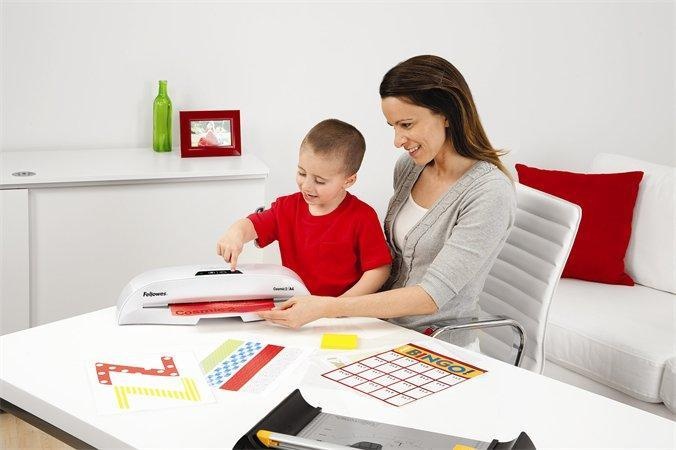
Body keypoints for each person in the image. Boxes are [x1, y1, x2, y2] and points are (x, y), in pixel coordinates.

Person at [258, 55, 516, 347]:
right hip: (381, 328)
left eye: (406, 124)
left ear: (447, 113)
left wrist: (328, 307)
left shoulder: (489, 193)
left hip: (435, 344)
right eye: (393, 126)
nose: (397, 140)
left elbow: (430, 297)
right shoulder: (410, 168)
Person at [216, 119, 392, 297]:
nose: (306, 186)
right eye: (302, 173)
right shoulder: (286, 208)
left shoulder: (362, 216)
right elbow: (253, 225)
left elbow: (379, 270)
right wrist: (235, 234)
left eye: (319, 181)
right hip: (298, 305)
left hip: (343, 309)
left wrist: (340, 304)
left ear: (348, 181)